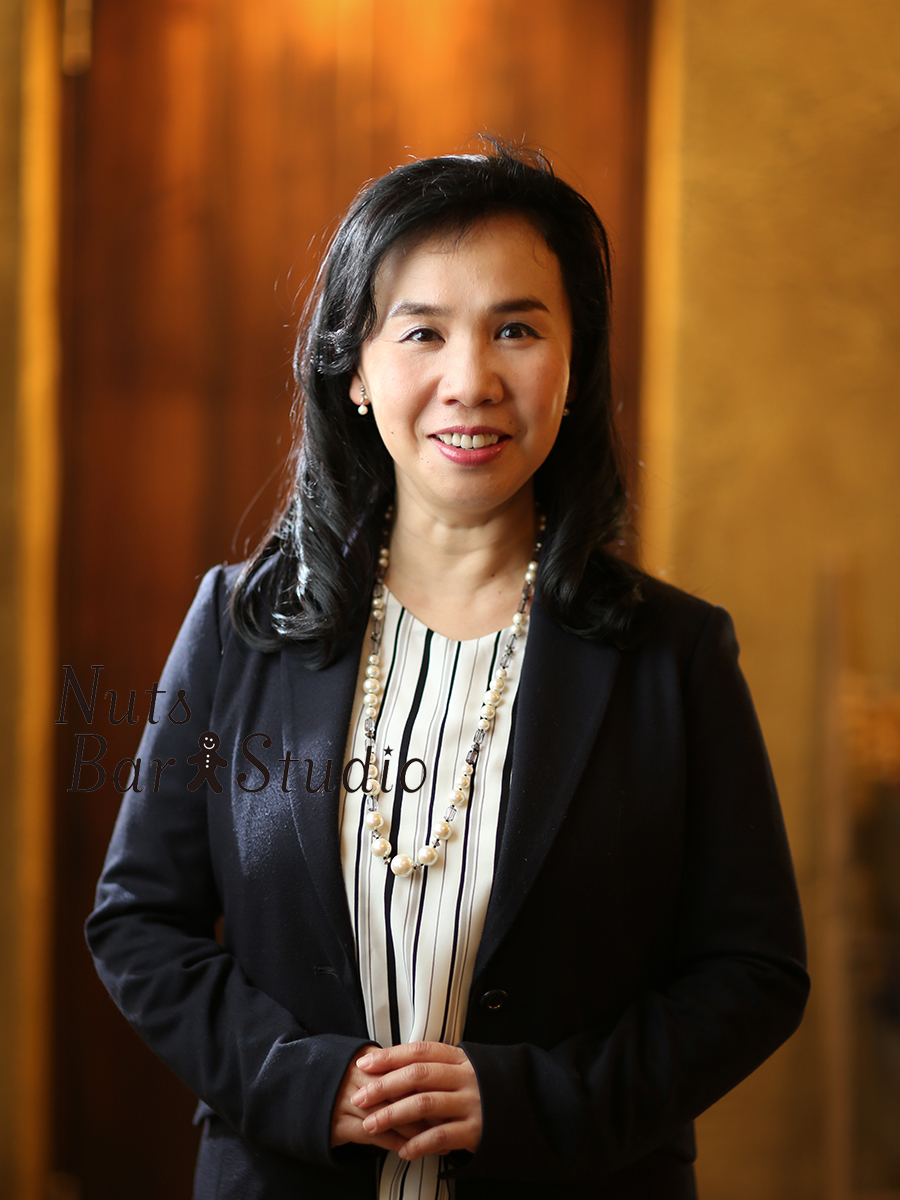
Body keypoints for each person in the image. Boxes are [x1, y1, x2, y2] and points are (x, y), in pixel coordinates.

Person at [86, 143, 809, 1200]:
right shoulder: (240, 628)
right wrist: (301, 1083)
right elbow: (139, 922)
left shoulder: (674, 654)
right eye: (422, 331)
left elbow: (753, 972)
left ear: (574, 364)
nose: (471, 381)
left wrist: (535, 1102)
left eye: (517, 329)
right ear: (357, 370)